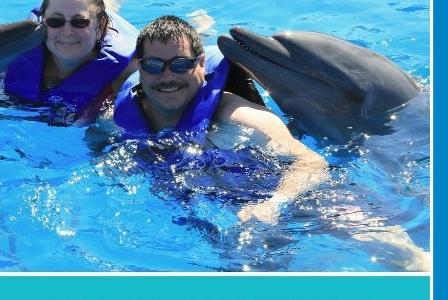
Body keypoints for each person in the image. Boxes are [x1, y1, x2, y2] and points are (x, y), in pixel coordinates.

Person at [114, 15, 329, 226]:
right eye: (154, 65)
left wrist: (274, 203)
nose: (168, 76)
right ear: (140, 67)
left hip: (304, 207)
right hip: (218, 216)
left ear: (201, 63)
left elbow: (311, 163)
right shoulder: (124, 118)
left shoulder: (240, 118)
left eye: (180, 65)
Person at [2, 0, 139, 125]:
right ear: (43, 22)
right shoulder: (14, 55)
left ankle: (110, 2)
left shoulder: (125, 72)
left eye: (80, 22)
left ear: (100, 27)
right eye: (56, 21)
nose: (67, 31)